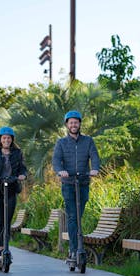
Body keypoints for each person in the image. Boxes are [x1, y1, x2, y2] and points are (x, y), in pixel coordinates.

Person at [52, 110, 100, 261]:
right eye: (71, 122)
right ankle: (74, 250)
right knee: (73, 217)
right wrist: (60, 171)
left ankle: (77, 248)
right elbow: (56, 160)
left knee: (78, 216)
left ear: (79, 124)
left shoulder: (88, 141)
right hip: (68, 184)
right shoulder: (61, 143)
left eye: (76, 122)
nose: (74, 125)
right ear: (67, 125)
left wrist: (94, 169)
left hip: (83, 182)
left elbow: (94, 156)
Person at [0, 126, 27, 261]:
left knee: (7, 220)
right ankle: (0, 249)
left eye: (8, 138)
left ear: (12, 140)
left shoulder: (17, 153)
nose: (6, 140)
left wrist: (22, 175)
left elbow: (23, 168)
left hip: (11, 187)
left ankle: (6, 247)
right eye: (4, 138)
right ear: (0, 139)